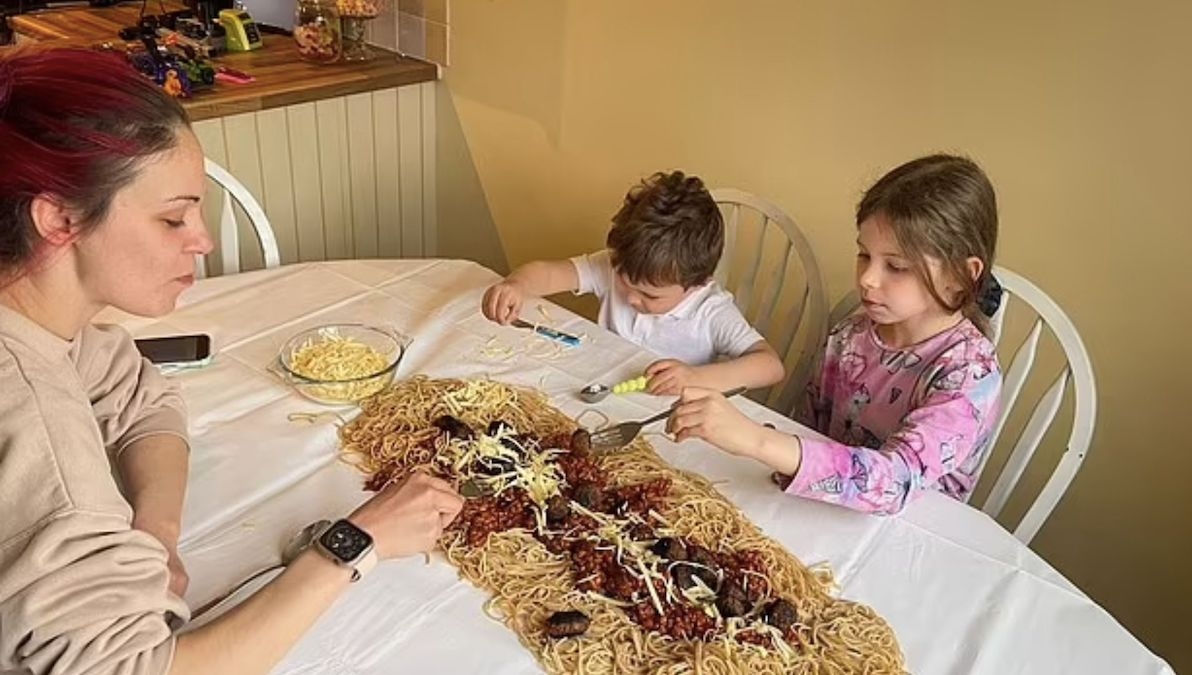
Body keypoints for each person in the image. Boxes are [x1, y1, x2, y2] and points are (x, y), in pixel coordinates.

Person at [0, 47, 463, 675]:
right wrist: (355, 547)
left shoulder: (47, 325)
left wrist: (156, 535)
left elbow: (143, 396)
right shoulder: (46, 449)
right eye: (173, 218)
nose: (204, 239)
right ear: (58, 218)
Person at [669, 154, 1002, 514]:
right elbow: (809, 431)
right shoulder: (851, 336)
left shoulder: (970, 374)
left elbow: (896, 481)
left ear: (962, 276)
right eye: (864, 255)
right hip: (820, 512)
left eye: (896, 266)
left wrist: (755, 439)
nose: (867, 279)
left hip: (912, 538)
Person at [481, 170, 784, 396]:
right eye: (626, 284)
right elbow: (549, 272)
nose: (633, 300)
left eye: (650, 296)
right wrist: (517, 285)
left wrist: (696, 377)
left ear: (697, 283)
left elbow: (770, 366)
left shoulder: (710, 310)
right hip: (599, 391)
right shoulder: (615, 266)